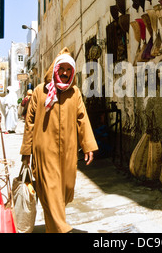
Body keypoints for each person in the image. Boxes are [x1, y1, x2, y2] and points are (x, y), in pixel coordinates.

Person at [20, 48, 98, 233]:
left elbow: (82, 118)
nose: (64, 73)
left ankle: (52, 228)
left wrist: (88, 146)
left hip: (69, 151)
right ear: (54, 69)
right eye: (61, 68)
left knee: (64, 190)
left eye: (68, 69)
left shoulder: (75, 92)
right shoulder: (40, 92)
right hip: (44, 150)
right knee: (50, 190)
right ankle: (63, 229)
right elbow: (29, 123)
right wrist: (26, 153)